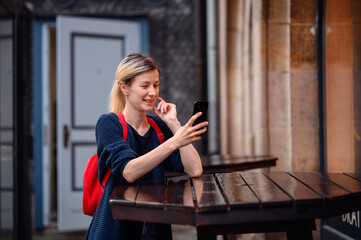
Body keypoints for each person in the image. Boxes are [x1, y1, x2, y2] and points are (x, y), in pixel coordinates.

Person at [85, 53, 208, 240]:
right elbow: (129, 171)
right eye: (145, 86)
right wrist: (174, 141)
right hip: (116, 229)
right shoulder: (108, 124)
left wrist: (174, 124)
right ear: (124, 87)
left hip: (156, 229)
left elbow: (195, 169)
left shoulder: (160, 127)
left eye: (156, 85)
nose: (153, 92)